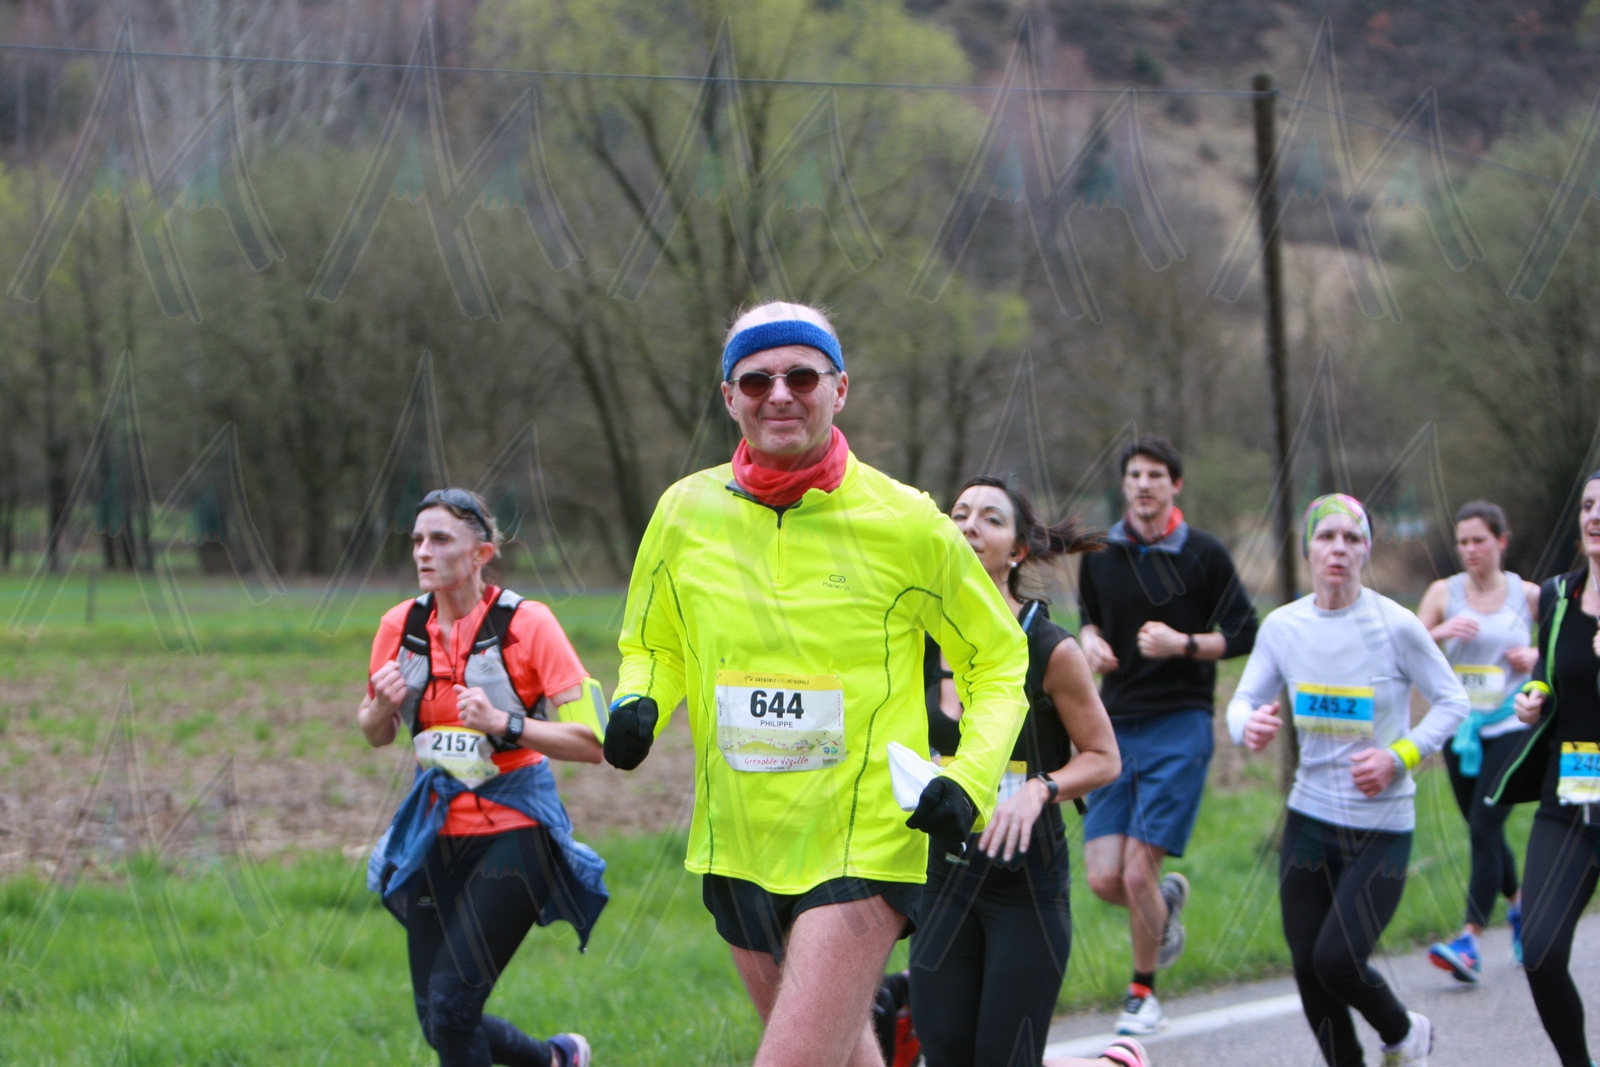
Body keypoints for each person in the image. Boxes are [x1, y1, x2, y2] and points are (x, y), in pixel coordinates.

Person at [604, 302, 1029, 1067]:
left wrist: (969, 779)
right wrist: (640, 700)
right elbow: (654, 643)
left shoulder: (908, 522)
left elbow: (998, 662)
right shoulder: (683, 511)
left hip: (861, 841)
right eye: (756, 380)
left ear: (840, 388)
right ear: (729, 396)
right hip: (736, 839)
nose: (779, 394)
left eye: (802, 376)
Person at [360, 488, 609, 1067]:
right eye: (417, 540)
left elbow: (594, 742)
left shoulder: (529, 624)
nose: (423, 552)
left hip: (516, 832)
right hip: (435, 832)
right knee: (438, 1020)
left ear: (481, 554)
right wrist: (380, 708)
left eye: (440, 539)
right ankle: (555, 1059)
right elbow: (375, 731)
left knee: (452, 1007)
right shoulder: (400, 625)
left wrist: (506, 723)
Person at [908, 475, 1140, 1067]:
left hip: (1026, 889)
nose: (969, 525)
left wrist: (1041, 788)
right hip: (942, 882)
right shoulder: (917, 642)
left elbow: (1105, 757)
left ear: (1016, 550)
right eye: (960, 513)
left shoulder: (1049, 648)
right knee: (945, 1053)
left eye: (991, 517)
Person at [1229, 494, 1468, 1067]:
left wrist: (1399, 756)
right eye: (1326, 536)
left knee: (1335, 960)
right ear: (1308, 549)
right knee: (1307, 967)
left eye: (1351, 538)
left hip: (1380, 827)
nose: (1338, 548)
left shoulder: (1396, 625)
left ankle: (1404, 1032)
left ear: (1366, 550)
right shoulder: (1284, 627)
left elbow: (1452, 702)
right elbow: (1243, 700)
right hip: (1309, 821)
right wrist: (1247, 726)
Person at [1075, 434, 1258, 1035]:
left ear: (1175, 484)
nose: (1143, 485)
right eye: (1134, 475)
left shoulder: (1205, 553)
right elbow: (1090, 617)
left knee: (1136, 874)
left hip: (1180, 724)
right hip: (1113, 727)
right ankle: (1166, 906)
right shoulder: (1101, 552)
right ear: (1124, 485)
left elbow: (1245, 631)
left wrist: (1183, 644)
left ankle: (1142, 995)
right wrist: (1090, 640)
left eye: (1155, 475)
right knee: (1103, 878)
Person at [1492, 472, 1600, 1067]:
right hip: (1572, 796)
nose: (1595, 516)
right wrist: (1535, 695)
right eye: (1588, 505)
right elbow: (1551, 669)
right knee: (1539, 951)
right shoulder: (1559, 594)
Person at [1416, 500, 1538, 982]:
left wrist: (1534, 656)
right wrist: (1441, 630)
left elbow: (1563, 646)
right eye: (1462, 542)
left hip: (1511, 726)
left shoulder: (1527, 595)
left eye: (1479, 540)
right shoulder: (1442, 593)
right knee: (1483, 829)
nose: (1469, 550)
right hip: (1460, 729)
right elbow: (1408, 644)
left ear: (1500, 542)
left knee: (1485, 826)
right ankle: (1522, 909)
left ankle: (1469, 940)